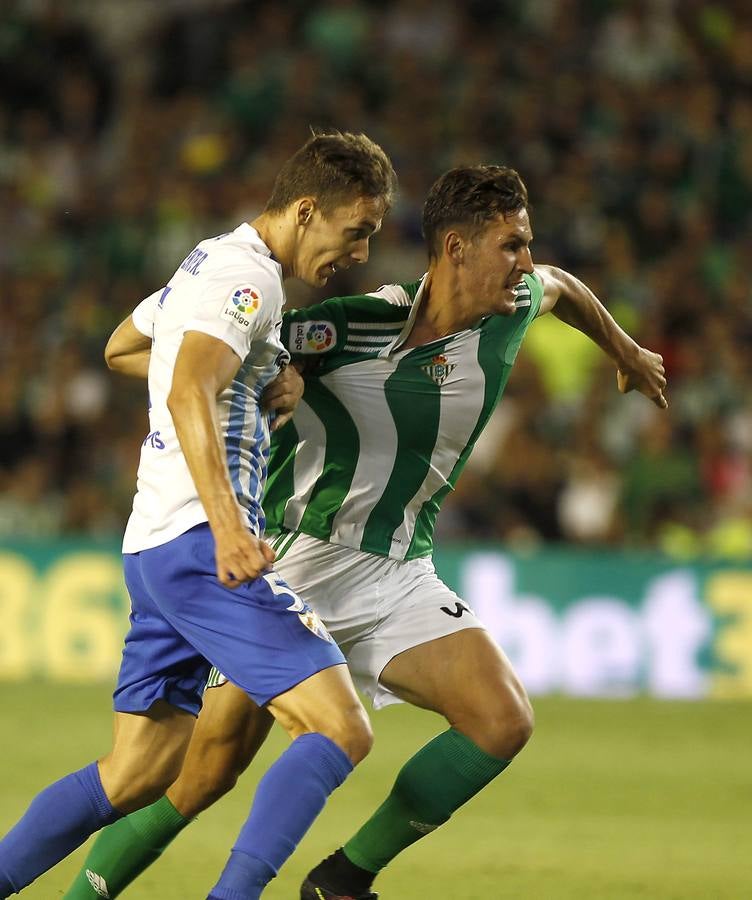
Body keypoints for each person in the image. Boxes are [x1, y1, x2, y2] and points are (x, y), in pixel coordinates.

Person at [63, 165, 667, 900]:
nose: (525, 262)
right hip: (297, 559)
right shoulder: (348, 325)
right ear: (456, 248)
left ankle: (342, 880)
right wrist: (273, 378)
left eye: (525, 244)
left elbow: (565, 287)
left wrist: (626, 352)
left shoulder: (515, 307)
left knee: (501, 719)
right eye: (510, 246)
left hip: (399, 569)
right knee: (203, 774)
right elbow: (189, 348)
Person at [0, 131, 397, 900]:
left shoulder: (210, 265)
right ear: (307, 211)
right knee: (341, 728)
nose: (360, 253)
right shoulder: (246, 279)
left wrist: (257, 370)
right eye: (357, 231)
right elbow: (187, 388)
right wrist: (227, 525)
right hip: (198, 542)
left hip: (154, 547)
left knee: (136, 774)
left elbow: (124, 348)